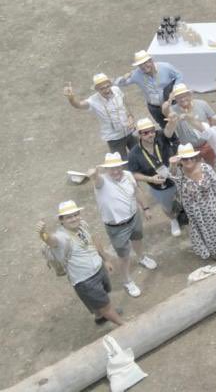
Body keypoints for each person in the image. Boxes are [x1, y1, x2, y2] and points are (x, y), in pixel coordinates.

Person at [37, 201, 126, 326]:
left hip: (99, 269)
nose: (74, 218)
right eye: (69, 217)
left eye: (75, 214)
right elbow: (51, 241)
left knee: (101, 297)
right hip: (85, 280)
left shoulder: (82, 225)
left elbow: (94, 241)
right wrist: (43, 234)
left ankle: (100, 316)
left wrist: (105, 260)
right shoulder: (62, 237)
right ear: (61, 220)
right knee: (104, 305)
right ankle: (123, 324)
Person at [87, 152, 157, 298]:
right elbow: (96, 179)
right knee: (123, 255)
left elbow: (137, 191)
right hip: (117, 227)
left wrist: (145, 208)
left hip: (134, 217)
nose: (115, 171)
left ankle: (141, 258)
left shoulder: (128, 175)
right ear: (106, 169)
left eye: (117, 167)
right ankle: (127, 281)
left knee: (138, 239)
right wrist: (93, 174)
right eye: (111, 168)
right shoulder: (101, 182)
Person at [169, 143, 216, 259]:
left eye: (191, 157)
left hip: (213, 207)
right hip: (196, 213)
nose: (189, 160)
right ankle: (215, 251)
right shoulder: (179, 173)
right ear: (180, 160)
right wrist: (172, 164)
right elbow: (171, 174)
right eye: (185, 159)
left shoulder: (205, 168)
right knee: (207, 233)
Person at [127, 117, 181, 237]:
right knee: (168, 207)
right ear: (139, 135)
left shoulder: (161, 137)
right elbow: (134, 174)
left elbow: (168, 130)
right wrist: (150, 179)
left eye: (152, 131)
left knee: (186, 199)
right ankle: (173, 220)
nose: (150, 134)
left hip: (177, 176)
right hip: (159, 186)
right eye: (145, 132)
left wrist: (172, 121)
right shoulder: (134, 154)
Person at [64, 73, 136, 156]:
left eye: (107, 86)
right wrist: (71, 98)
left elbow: (125, 104)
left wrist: (130, 116)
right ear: (97, 89)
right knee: (122, 163)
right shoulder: (93, 101)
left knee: (140, 156)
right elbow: (78, 105)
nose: (106, 90)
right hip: (114, 138)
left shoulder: (117, 90)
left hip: (129, 131)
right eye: (102, 89)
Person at [115, 50, 181, 128]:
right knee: (164, 125)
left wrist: (175, 89)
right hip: (154, 107)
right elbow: (119, 84)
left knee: (179, 123)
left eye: (145, 63)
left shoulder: (165, 67)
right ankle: (174, 140)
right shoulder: (136, 74)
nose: (143, 67)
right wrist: (124, 77)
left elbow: (179, 75)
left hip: (170, 104)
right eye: (140, 65)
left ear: (151, 60)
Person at [161, 83, 215, 158]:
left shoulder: (202, 104)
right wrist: (170, 117)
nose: (183, 99)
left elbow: (213, 120)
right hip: (188, 150)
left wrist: (213, 138)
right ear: (175, 99)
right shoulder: (173, 110)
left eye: (185, 96)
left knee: (211, 165)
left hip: (207, 144)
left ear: (190, 95)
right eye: (179, 97)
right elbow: (168, 133)